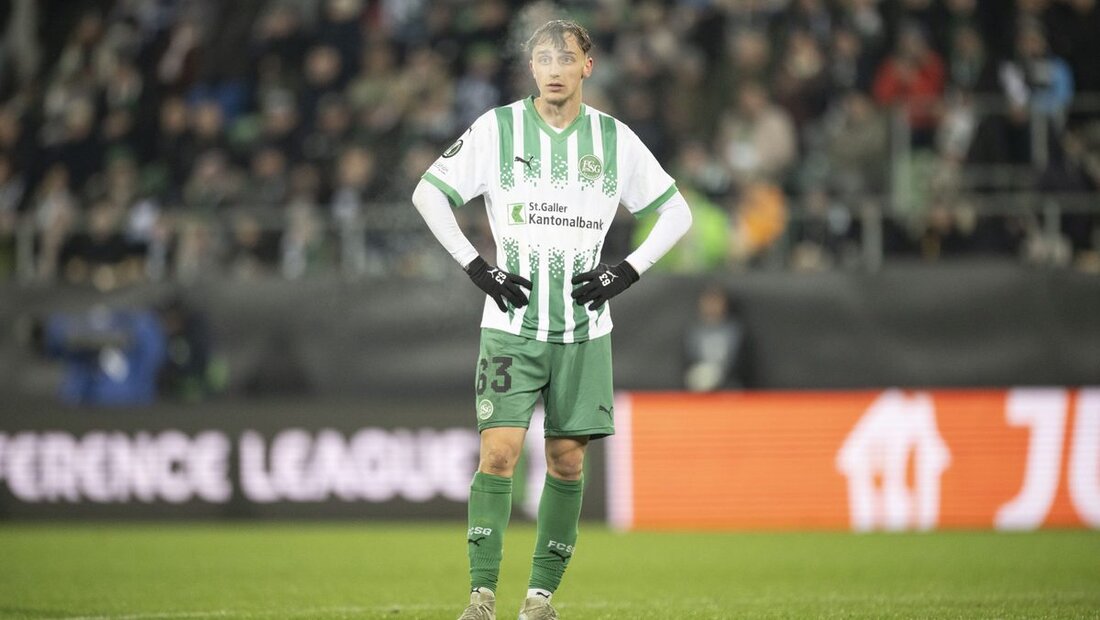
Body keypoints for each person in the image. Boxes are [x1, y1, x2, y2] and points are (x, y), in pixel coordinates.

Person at [410, 19, 692, 620]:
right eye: (543, 58)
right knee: (500, 454)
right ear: (531, 68)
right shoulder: (496, 128)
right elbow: (427, 193)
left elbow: (677, 214)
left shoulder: (615, 139)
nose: (555, 68)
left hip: (585, 331)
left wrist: (626, 272)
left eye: (567, 58)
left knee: (567, 460)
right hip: (510, 326)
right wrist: (477, 268)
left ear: (588, 66)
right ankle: (481, 597)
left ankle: (539, 600)